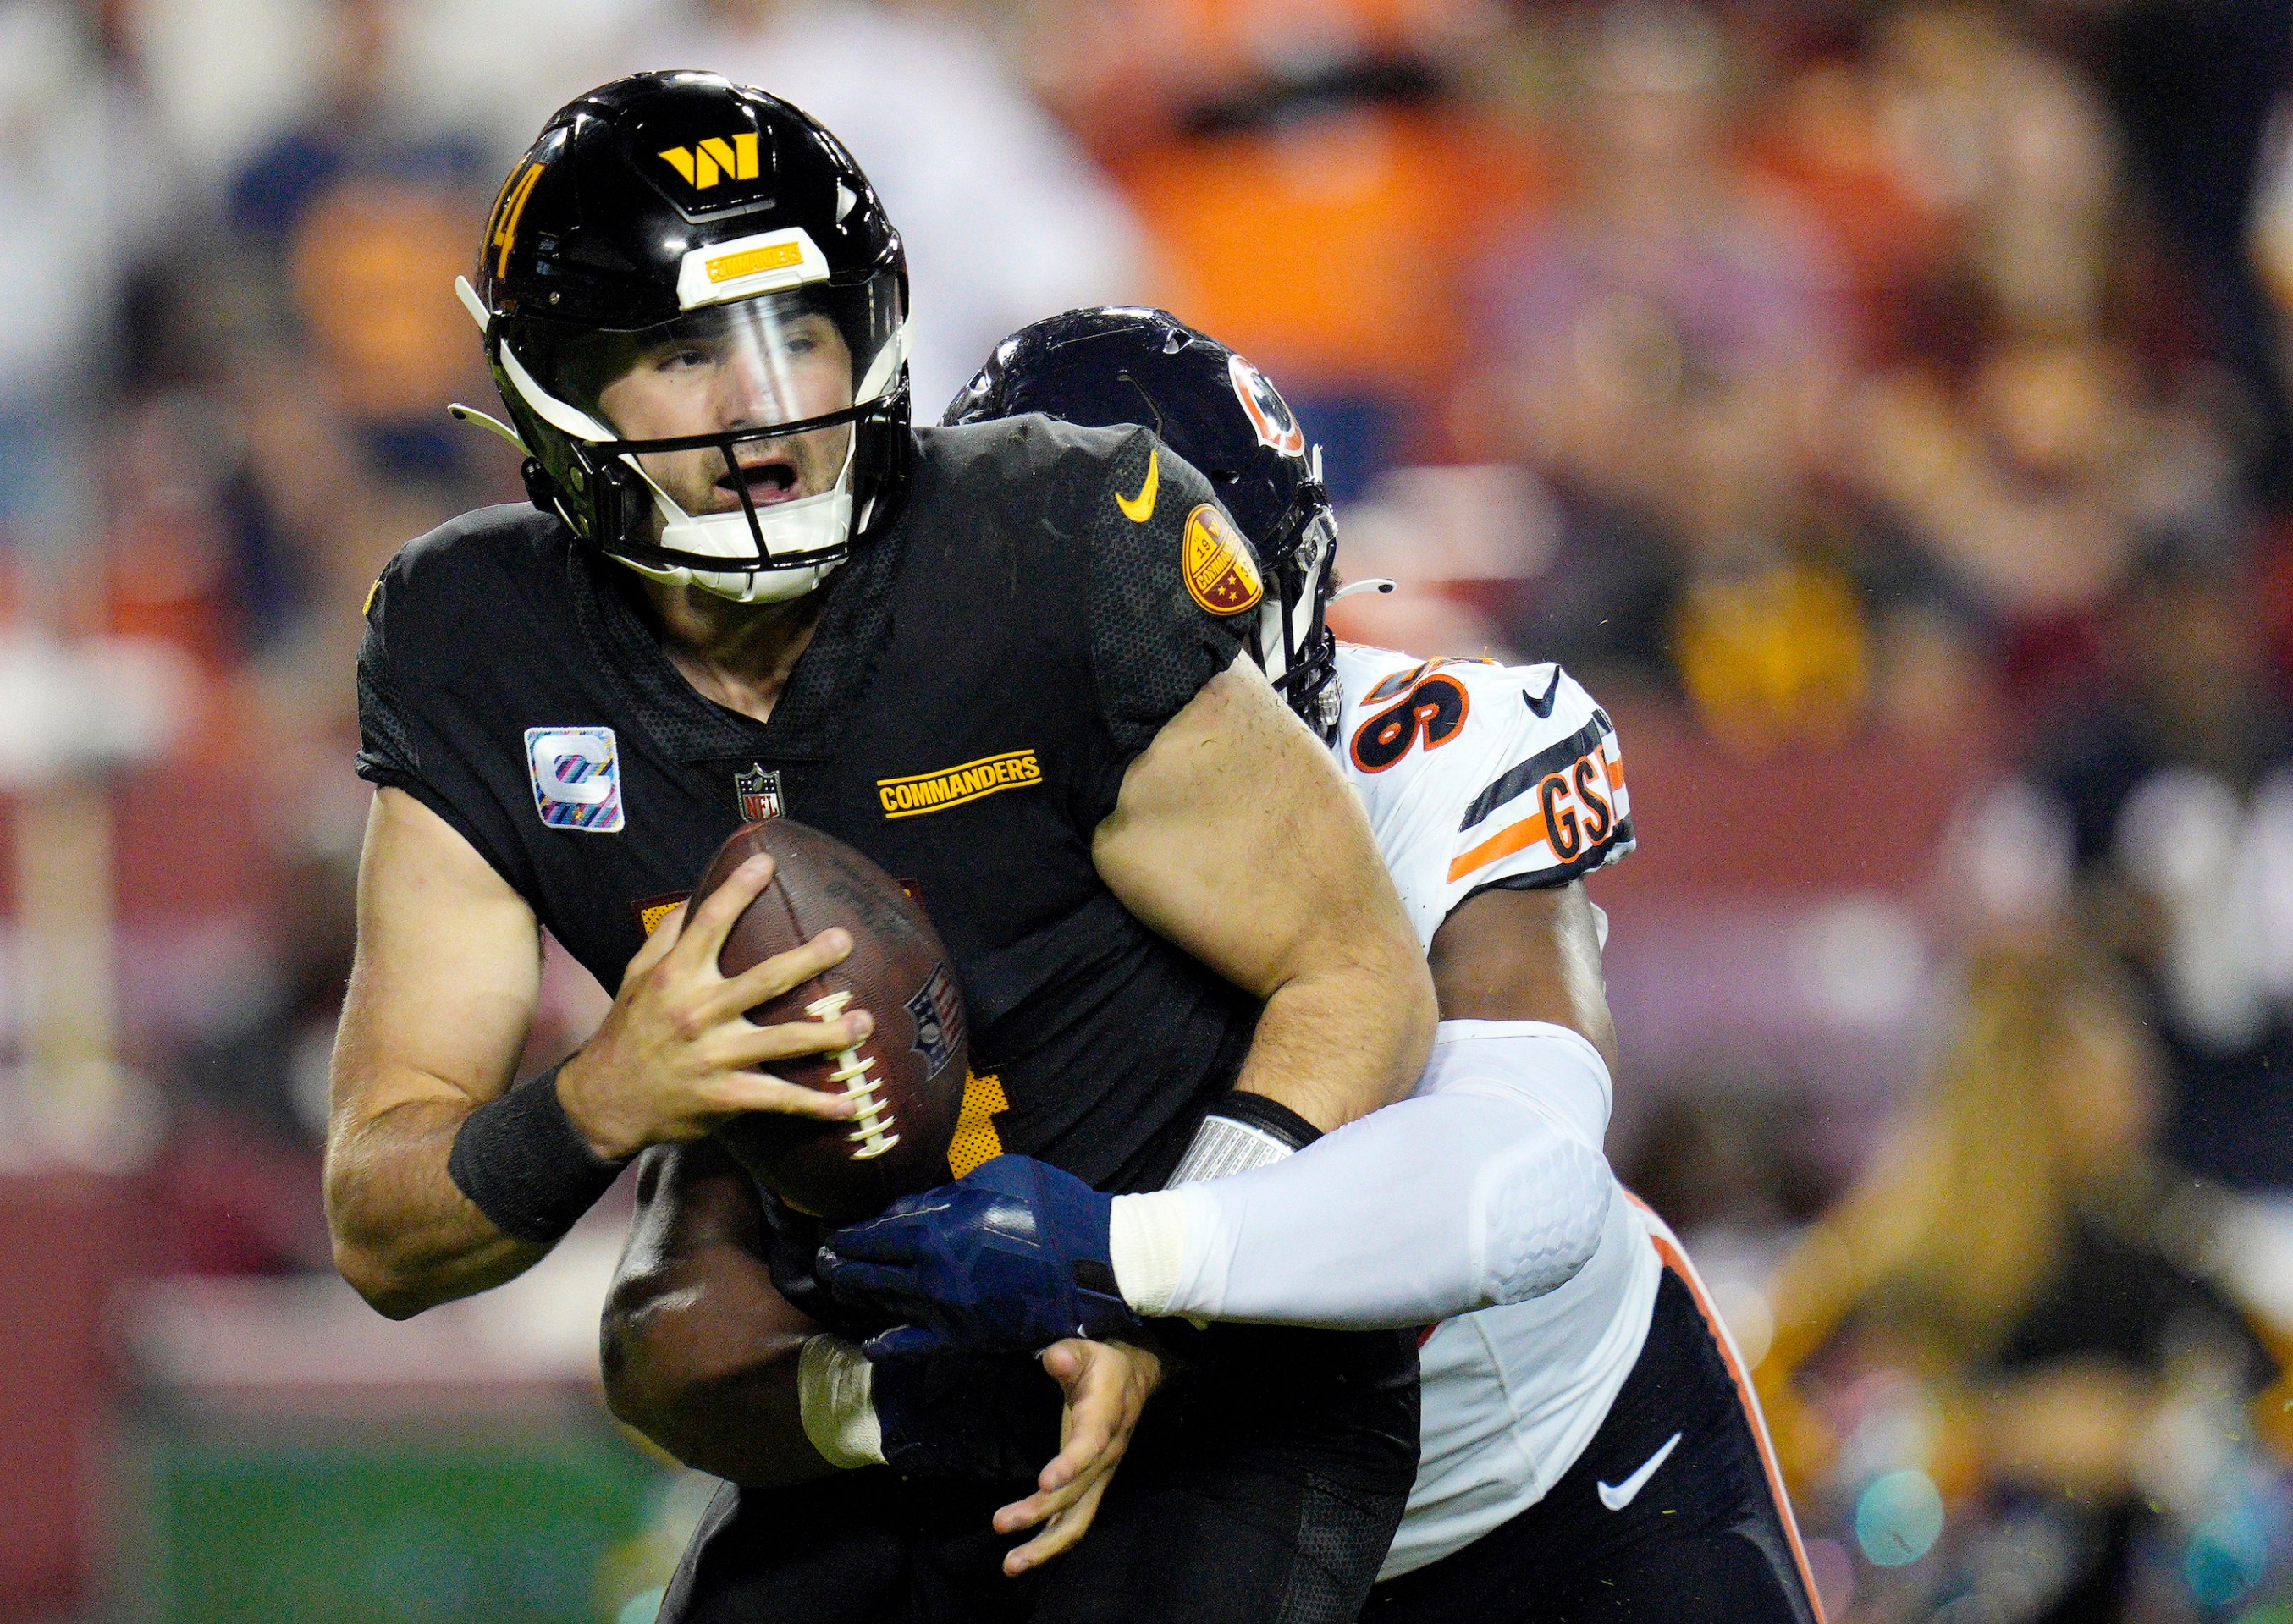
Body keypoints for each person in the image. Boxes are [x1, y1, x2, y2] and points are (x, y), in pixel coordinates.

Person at [322, 74, 1436, 1623]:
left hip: (1218, 1379)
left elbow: (1361, 968)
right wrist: (599, 1098)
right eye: (682, 349)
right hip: (887, 1385)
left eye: (797, 330)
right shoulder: (474, 643)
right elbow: (382, 1218)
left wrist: (1162, 1273)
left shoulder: (1045, 536)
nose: (758, 401)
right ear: (557, 385)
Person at [613, 308, 1827, 1621]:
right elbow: (676, 1306)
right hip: (1144, 1517)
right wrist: (882, 1404)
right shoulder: (877, 825)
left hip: (1540, 1488)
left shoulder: (1427, 754)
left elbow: (1525, 1182)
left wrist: (1124, 1255)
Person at [1758, 940, 2282, 1624]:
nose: (2144, 1093)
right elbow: (1769, 1431)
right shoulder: (1890, 1265)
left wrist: (2160, 1433)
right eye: (2114, 1066)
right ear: (2029, 1077)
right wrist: (1997, 1437)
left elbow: (2271, 1414)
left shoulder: (2169, 1251)